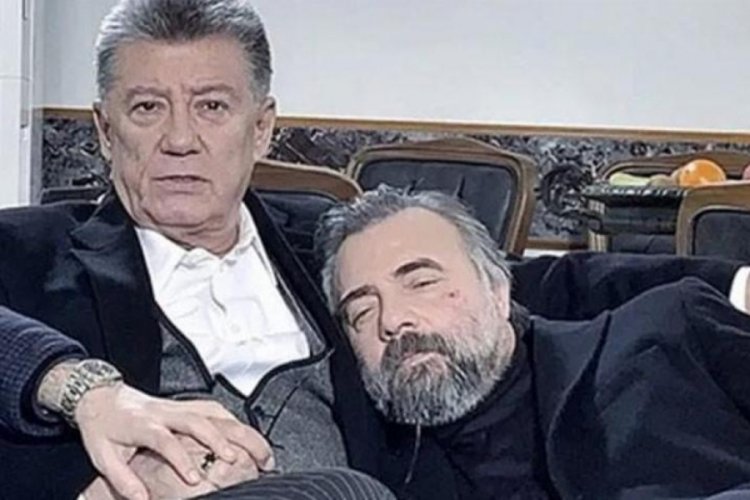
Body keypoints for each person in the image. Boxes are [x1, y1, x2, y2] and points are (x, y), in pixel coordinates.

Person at [0, 1, 396, 499]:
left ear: (261, 128)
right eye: (148, 108)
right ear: (105, 131)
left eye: (211, 107)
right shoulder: (27, 252)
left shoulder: (327, 239)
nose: (180, 139)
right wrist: (85, 395)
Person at [315, 185, 750, 499]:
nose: (392, 320)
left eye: (422, 282)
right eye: (362, 311)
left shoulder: (670, 333)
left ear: (499, 290)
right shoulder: (367, 467)